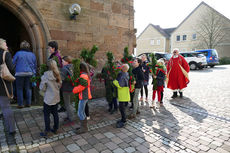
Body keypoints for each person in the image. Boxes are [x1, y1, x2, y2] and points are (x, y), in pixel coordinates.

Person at [39, 60, 62, 137]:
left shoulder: (45, 76)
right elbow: (59, 85)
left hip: (48, 98)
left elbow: (42, 88)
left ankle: (48, 131)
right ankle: (56, 128)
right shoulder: (57, 75)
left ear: (47, 67)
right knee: (55, 113)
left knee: (46, 115)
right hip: (56, 97)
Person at [13, 40, 37, 108]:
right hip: (30, 73)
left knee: (19, 89)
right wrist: (34, 73)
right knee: (28, 88)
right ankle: (28, 103)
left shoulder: (18, 53)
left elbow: (13, 63)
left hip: (19, 73)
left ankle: (20, 104)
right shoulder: (32, 54)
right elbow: (35, 64)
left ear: (21, 46)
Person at [0, 38, 16, 135]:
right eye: (5, 44)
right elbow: (11, 69)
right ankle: (11, 129)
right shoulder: (5, 54)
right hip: (3, 84)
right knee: (6, 107)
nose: (6, 46)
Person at [73, 62, 92, 134]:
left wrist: (74, 89)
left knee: (80, 112)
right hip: (85, 95)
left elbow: (82, 86)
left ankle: (84, 128)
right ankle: (84, 126)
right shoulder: (85, 74)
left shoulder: (83, 75)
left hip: (84, 96)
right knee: (82, 112)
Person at [113, 64, 130, 128]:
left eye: (121, 66)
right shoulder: (125, 73)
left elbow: (120, 85)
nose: (120, 67)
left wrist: (114, 81)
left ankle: (124, 120)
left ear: (123, 68)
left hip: (123, 93)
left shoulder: (123, 75)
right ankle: (123, 119)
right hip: (124, 93)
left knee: (121, 108)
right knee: (122, 107)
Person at [60, 56, 75, 125]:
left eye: (63, 61)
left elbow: (61, 79)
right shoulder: (72, 67)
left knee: (67, 104)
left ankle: (71, 118)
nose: (62, 62)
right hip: (71, 87)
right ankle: (69, 116)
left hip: (66, 88)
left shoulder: (64, 68)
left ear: (66, 61)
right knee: (69, 103)